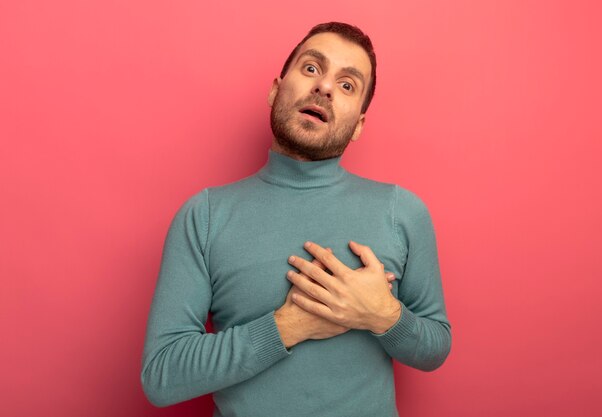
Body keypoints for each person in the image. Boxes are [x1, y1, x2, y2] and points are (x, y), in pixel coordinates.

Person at [141, 22, 451, 417]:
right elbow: (161, 375)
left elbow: (435, 347)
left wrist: (382, 314)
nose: (323, 87)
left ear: (358, 125)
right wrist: (288, 326)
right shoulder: (204, 217)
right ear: (275, 89)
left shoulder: (402, 212)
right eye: (311, 68)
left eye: (347, 85)